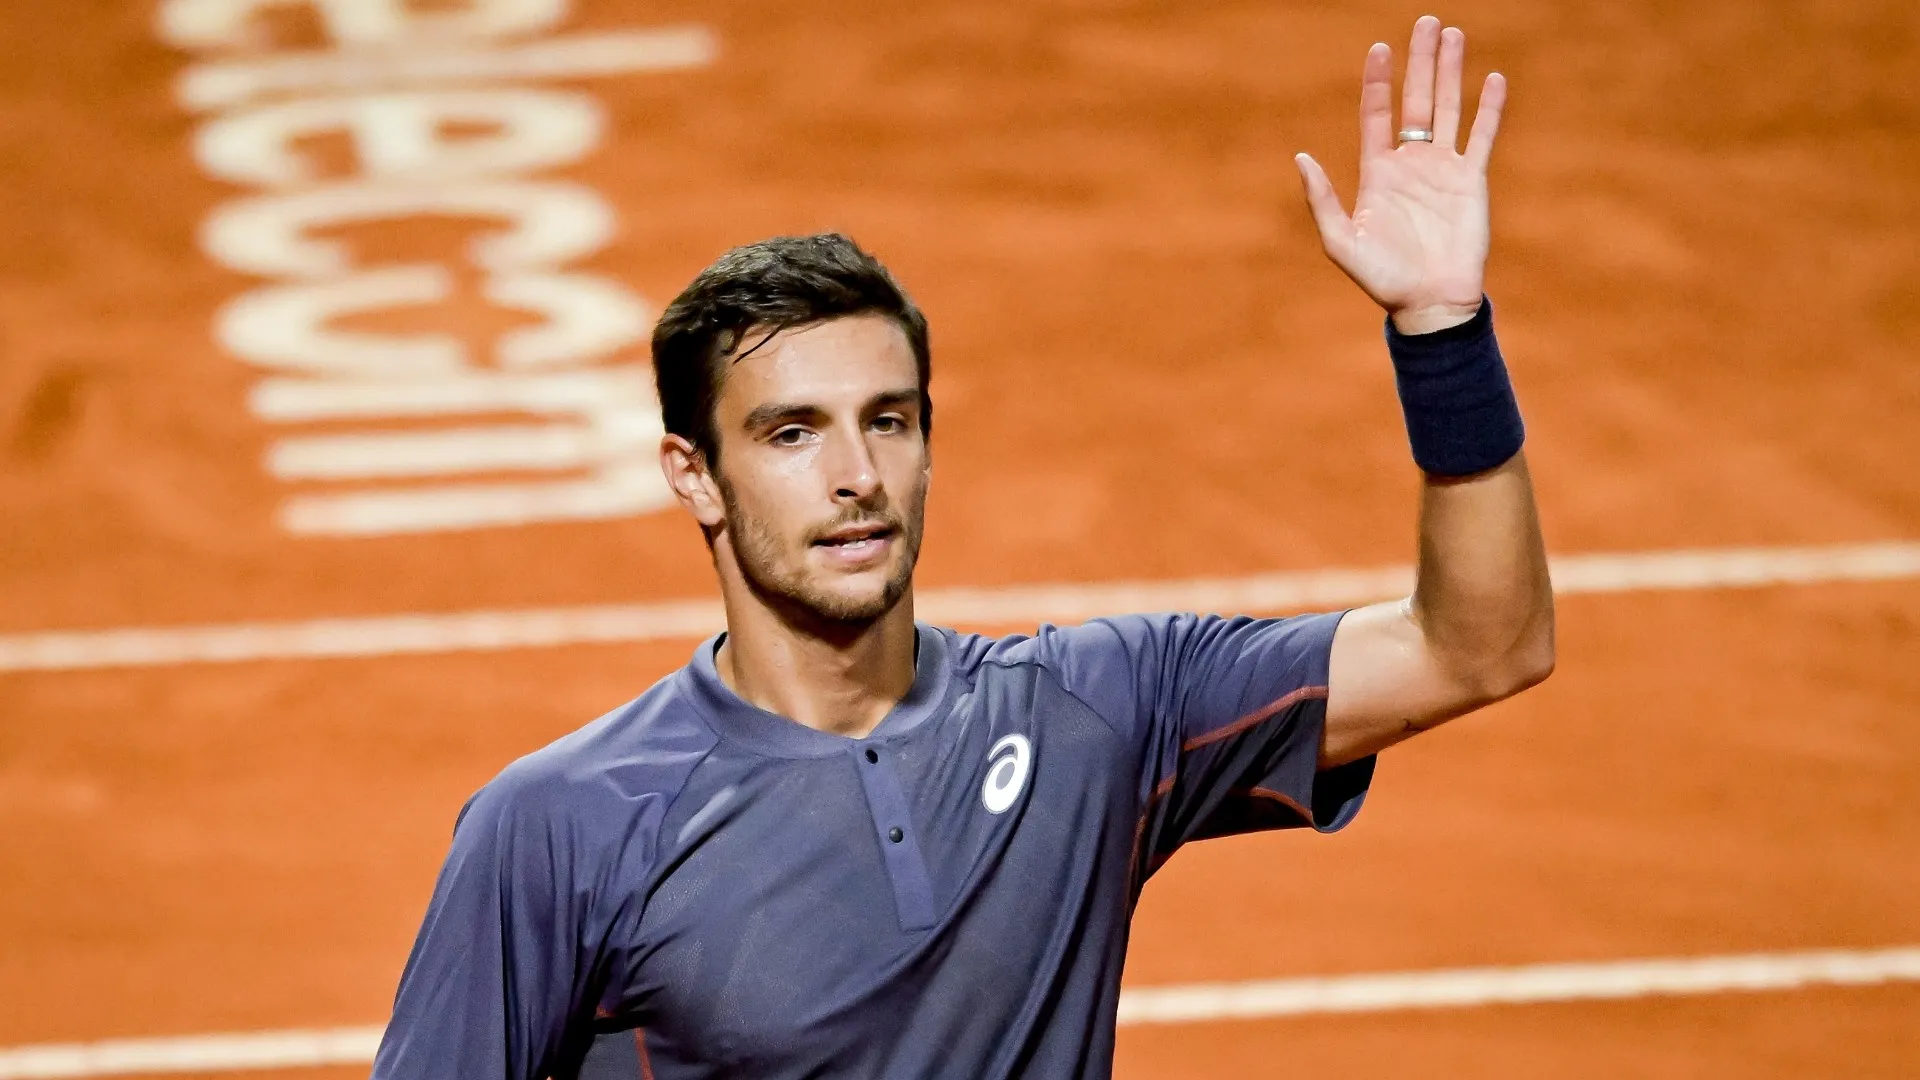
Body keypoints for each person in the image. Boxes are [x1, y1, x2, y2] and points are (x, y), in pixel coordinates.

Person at [373, 15, 1551, 1080]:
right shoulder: (566, 825)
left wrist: (1440, 335)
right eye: (792, 434)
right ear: (698, 478)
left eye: (889, 420)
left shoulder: (1095, 716)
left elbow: (1479, 648)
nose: (857, 475)